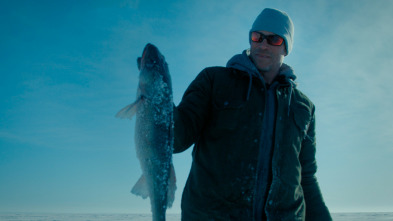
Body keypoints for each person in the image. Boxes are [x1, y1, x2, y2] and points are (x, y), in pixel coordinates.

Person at [173, 8, 332, 221]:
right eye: (257, 37)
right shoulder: (214, 81)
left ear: (286, 47)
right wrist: (157, 100)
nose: (263, 44)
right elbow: (175, 139)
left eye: (274, 39)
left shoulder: (303, 107)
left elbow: (306, 178)